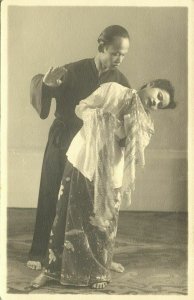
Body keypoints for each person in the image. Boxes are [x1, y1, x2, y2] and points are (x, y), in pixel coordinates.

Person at [30, 79, 176, 290]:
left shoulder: (146, 124)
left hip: (110, 172)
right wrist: (97, 117)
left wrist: (122, 130)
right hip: (84, 158)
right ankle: (51, 270)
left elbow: (134, 152)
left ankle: (97, 271)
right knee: (65, 215)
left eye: (159, 105)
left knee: (103, 224)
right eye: (159, 96)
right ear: (150, 84)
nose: (155, 103)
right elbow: (81, 107)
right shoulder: (113, 90)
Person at [28, 25, 131, 272]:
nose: (119, 58)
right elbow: (44, 87)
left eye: (124, 54)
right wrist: (47, 84)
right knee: (51, 192)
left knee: (89, 201)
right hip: (64, 137)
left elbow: (128, 116)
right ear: (101, 47)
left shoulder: (120, 81)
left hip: (94, 145)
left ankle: (88, 256)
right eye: (115, 52)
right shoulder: (73, 70)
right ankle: (40, 251)